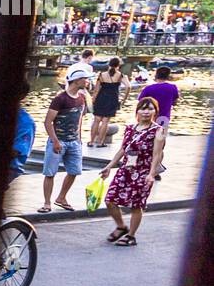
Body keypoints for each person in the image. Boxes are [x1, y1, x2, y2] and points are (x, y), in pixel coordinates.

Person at [98, 97, 165, 247]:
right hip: (126, 169)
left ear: (155, 111)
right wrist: (109, 166)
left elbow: (157, 154)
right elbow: (123, 149)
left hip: (142, 171)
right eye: (143, 108)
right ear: (138, 111)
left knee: (136, 205)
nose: (147, 112)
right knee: (110, 199)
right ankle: (121, 226)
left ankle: (131, 236)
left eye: (150, 108)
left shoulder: (158, 131)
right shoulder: (130, 128)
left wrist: (151, 174)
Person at [39, 66, 92, 213]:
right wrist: (55, 141)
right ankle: (47, 203)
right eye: (85, 79)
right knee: (50, 173)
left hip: (74, 141)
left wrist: (79, 138)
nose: (87, 81)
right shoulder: (60, 99)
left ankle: (61, 197)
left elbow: (79, 119)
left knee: (74, 171)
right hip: (58, 140)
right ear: (76, 80)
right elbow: (48, 121)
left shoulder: (81, 98)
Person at [139, 66, 180, 181]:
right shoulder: (172, 88)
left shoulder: (148, 89)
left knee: (146, 143)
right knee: (160, 146)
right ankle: (156, 170)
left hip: (148, 119)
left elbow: (141, 103)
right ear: (168, 76)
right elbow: (175, 101)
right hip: (163, 119)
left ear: (156, 75)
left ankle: (145, 168)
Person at [88, 58, 127, 148]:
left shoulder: (102, 75)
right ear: (118, 65)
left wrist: (93, 100)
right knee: (105, 122)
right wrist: (124, 99)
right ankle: (100, 142)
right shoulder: (120, 75)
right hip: (112, 99)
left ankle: (91, 141)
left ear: (109, 64)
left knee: (96, 121)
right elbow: (128, 86)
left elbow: (96, 90)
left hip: (101, 98)